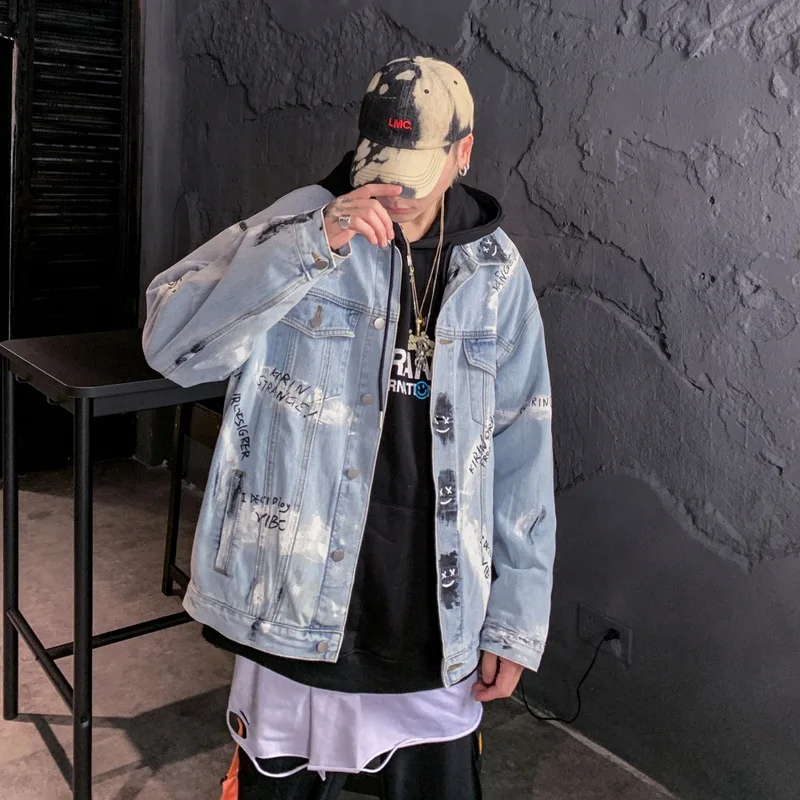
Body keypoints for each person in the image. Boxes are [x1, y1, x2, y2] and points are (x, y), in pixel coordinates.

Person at [143, 55, 556, 800]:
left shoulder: (495, 272)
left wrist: (516, 620)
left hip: (434, 617)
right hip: (293, 602)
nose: (394, 192)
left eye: (414, 171)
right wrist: (307, 247)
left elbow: (524, 446)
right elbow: (169, 344)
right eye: (382, 164)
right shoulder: (304, 220)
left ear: (463, 152)